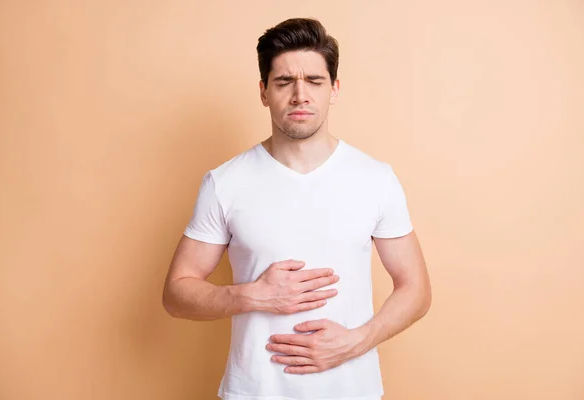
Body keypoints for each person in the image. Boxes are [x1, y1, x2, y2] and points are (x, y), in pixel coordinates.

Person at [162, 17, 431, 400]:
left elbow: (416, 288)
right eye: (284, 82)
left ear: (333, 89)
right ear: (263, 91)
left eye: (315, 81)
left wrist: (355, 342)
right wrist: (253, 295)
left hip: (351, 391)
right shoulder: (225, 182)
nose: (300, 95)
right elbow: (176, 294)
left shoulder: (375, 178)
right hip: (253, 392)